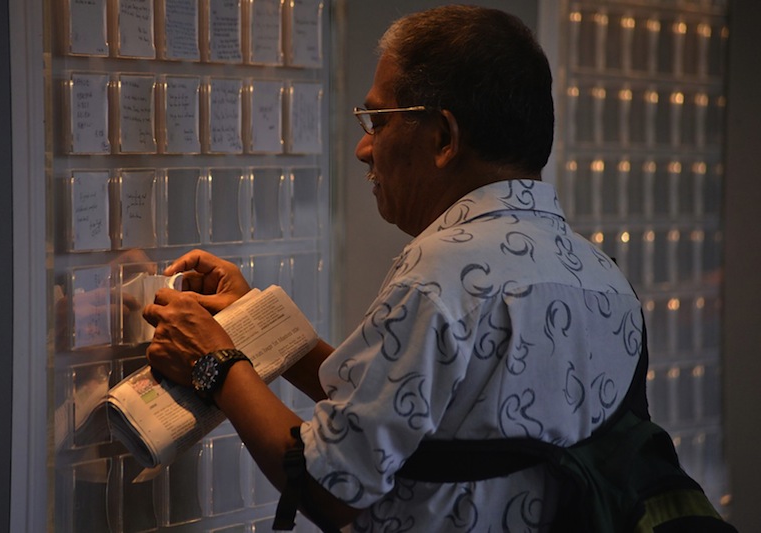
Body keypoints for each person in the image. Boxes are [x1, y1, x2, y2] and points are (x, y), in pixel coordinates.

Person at [143, 5, 643, 531]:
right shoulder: (604, 277)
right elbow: (403, 410)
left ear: (444, 138)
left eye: (377, 121)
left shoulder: (443, 273)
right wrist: (258, 324)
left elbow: (331, 484)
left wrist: (215, 364)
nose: (363, 148)